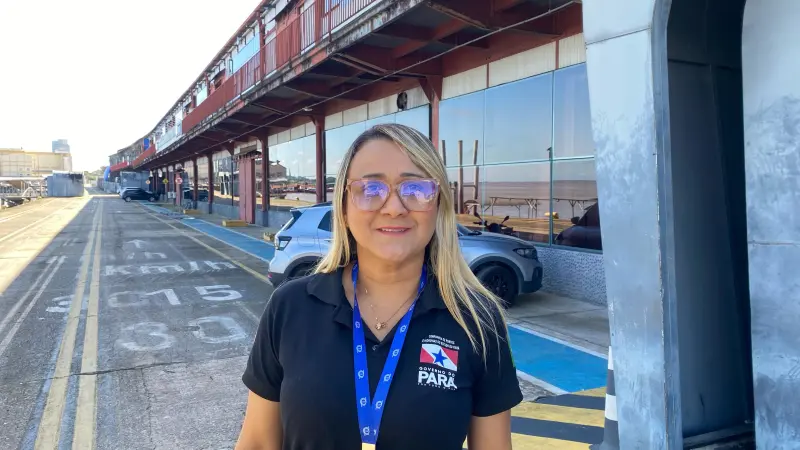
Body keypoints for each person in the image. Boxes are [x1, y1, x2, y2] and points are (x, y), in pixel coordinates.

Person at [235, 123, 522, 450]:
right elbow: (258, 442)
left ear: (438, 205)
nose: (394, 207)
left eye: (415, 189)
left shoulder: (477, 321)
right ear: (344, 206)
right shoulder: (289, 307)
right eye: (371, 189)